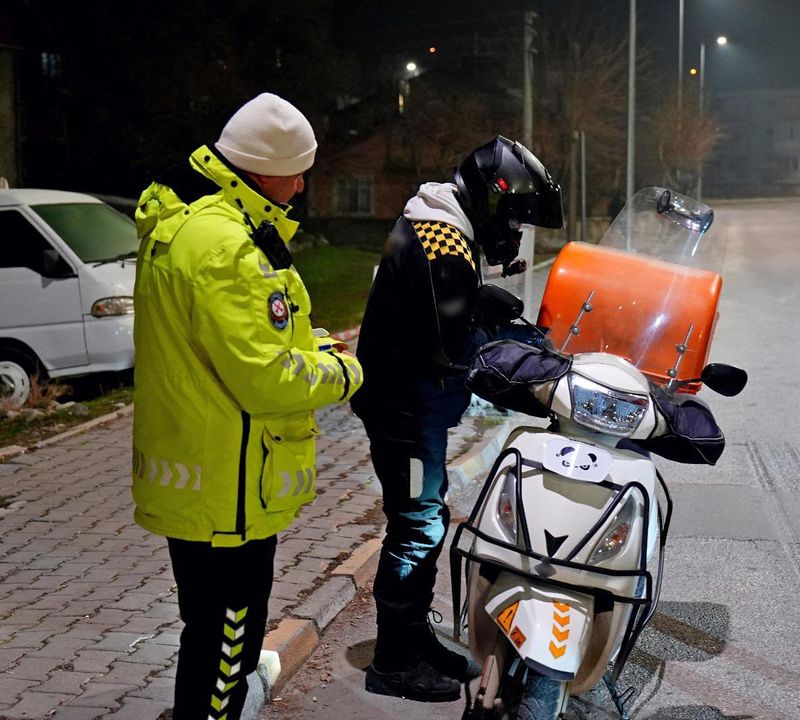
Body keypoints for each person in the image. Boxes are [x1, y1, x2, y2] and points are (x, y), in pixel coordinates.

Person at [131, 92, 363, 720]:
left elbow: (249, 341)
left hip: (203, 467)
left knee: (204, 629)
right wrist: (342, 371)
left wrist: (307, 339)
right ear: (263, 170)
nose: (300, 186)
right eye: (297, 172)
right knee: (226, 640)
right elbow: (265, 377)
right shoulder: (226, 245)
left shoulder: (193, 223)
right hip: (230, 483)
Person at [351, 136, 563, 701]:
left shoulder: (443, 223)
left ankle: (414, 638)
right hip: (405, 410)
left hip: (411, 404)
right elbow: (449, 348)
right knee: (417, 527)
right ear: (493, 200)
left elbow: (445, 321)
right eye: (515, 219)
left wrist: (485, 317)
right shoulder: (442, 245)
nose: (515, 233)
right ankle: (394, 661)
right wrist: (515, 359)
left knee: (425, 520)